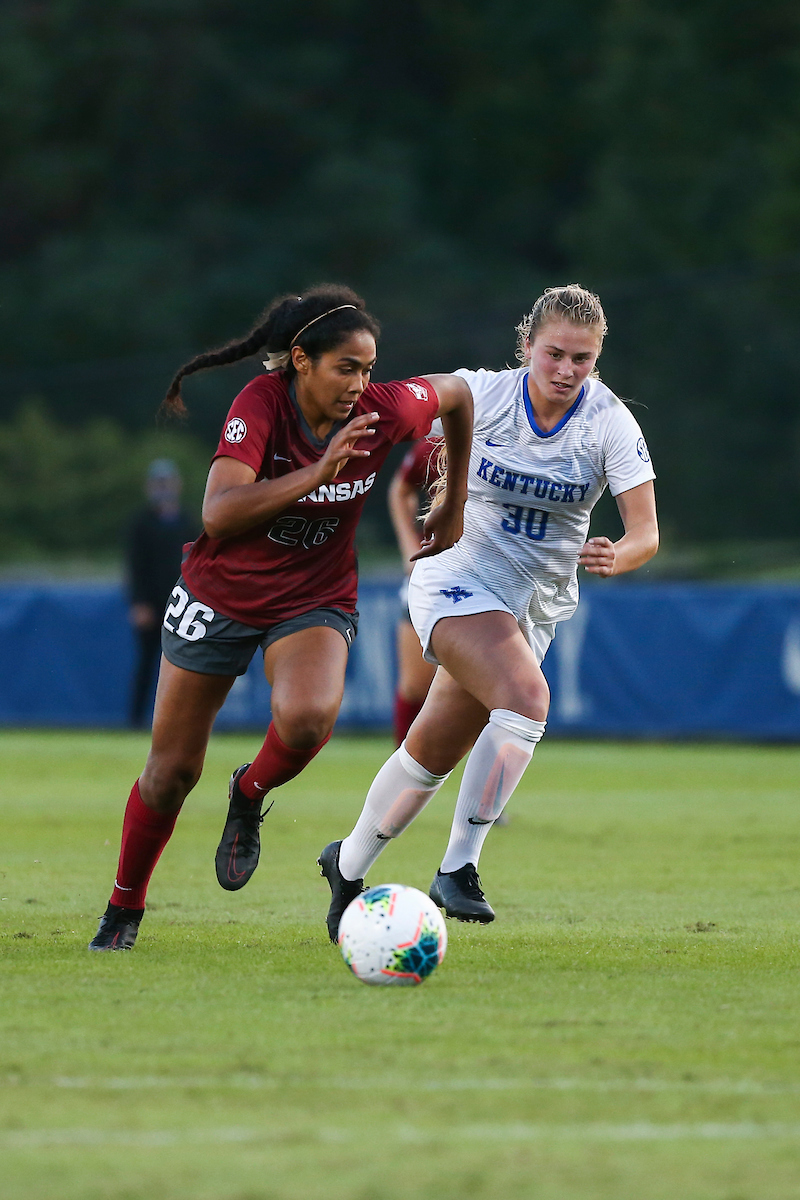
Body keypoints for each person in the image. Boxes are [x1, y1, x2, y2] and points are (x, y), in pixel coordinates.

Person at [89, 284, 472, 951]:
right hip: (220, 594)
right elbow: (219, 513)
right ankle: (124, 907)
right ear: (301, 360)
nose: (362, 383)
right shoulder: (259, 404)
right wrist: (320, 470)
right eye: (346, 367)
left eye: (369, 368)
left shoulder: (383, 410)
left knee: (306, 718)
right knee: (171, 770)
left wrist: (454, 497)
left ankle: (249, 791)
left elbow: (460, 395)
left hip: (313, 597)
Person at [319, 283, 659, 940]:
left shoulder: (610, 421)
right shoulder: (486, 393)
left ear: (597, 360)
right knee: (528, 699)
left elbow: (646, 530)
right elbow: (410, 398)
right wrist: (342, 406)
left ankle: (347, 863)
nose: (565, 370)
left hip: (533, 605)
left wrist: (623, 553)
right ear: (527, 346)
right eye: (554, 353)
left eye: (582, 359)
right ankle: (458, 868)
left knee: (432, 751)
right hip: (454, 577)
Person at [126, 459, 197, 728]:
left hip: (180, 605)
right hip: (152, 604)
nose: (163, 488)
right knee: (146, 664)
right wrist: (139, 602)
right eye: (158, 483)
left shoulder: (187, 521)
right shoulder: (141, 523)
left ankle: (179, 723)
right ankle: (136, 721)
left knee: (184, 668)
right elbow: (135, 566)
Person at [387, 437, 441, 744]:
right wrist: (409, 546)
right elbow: (400, 488)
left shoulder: (513, 440)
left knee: (480, 696)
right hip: (433, 572)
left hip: (487, 574)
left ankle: (477, 784)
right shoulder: (437, 442)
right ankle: (400, 774)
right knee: (415, 687)